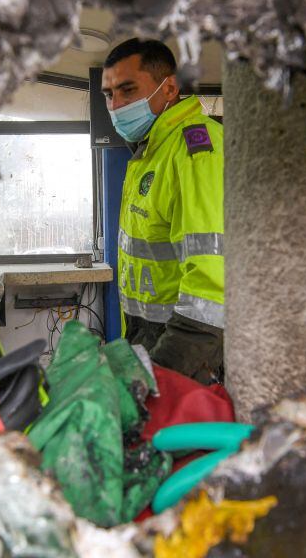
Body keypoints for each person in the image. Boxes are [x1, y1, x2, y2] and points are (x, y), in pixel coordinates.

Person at [101, 38, 225, 384]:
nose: (116, 105)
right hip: (148, 339)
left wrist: (164, 373)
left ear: (168, 88)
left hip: (187, 353)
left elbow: (211, 284)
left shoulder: (195, 149)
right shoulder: (150, 151)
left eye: (127, 90)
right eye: (109, 95)